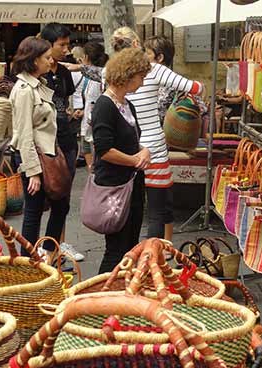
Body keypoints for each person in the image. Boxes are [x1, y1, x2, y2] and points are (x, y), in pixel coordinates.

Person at [64, 27, 203, 242]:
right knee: (156, 209)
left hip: (131, 148)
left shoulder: (111, 71)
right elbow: (196, 87)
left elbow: (90, 71)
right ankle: (152, 256)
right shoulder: (156, 70)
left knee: (132, 210)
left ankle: (136, 256)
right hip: (151, 148)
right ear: (137, 45)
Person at [8, 36, 69, 257]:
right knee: (34, 211)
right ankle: (28, 261)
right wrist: (33, 172)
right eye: (45, 57)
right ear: (34, 60)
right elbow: (23, 133)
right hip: (34, 157)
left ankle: (45, 253)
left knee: (59, 206)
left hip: (46, 154)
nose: (49, 61)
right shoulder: (25, 90)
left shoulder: (38, 85)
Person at [92, 47, 151, 273]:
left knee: (129, 247)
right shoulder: (105, 105)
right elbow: (104, 150)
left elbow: (131, 142)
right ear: (128, 74)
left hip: (131, 184)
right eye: (141, 77)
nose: (142, 83)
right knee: (116, 249)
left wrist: (143, 151)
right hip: (115, 186)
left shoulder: (126, 105)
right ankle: (101, 296)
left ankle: (120, 296)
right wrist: (135, 159)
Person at [39, 23, 83, 261]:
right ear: (49, 44)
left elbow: (66, 101)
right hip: (44, 142)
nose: (67, 49)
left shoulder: (65, 73)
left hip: (65, 139)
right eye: (62, 45)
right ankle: (41, 247)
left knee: (63, 197)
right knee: (42, 199)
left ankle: (56, 245)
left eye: (68, 44)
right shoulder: (37, 72)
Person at [70, 43, 107, 171]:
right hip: (89, 124)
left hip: (93, 126)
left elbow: (95, 102)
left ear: (85, 57)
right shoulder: (91, 77)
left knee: (95, 165)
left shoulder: (97, 79)